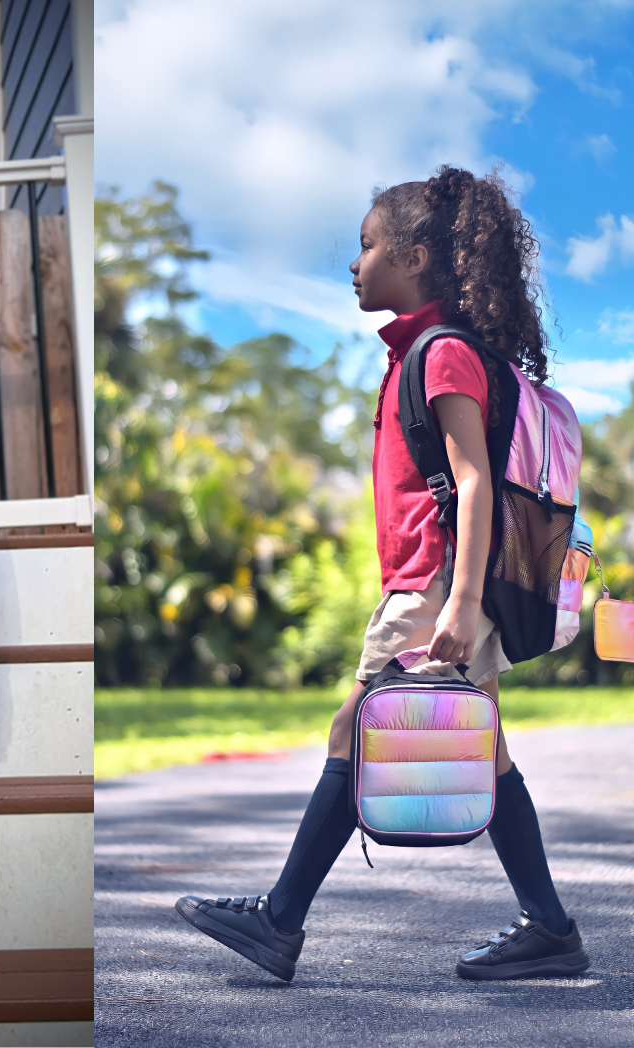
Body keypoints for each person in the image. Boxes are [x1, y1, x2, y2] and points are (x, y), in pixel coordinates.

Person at [176, 167, 589, 983]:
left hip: (436, 589)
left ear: (419, 257)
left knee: (354, 733)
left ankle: (280, 921)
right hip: (438, 585)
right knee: (489, 754)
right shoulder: (429, 355)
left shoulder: (440, 357)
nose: (354, 263)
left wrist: (460, 602)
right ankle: (550, 927)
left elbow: (473, 483)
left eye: (367, 246)